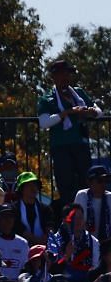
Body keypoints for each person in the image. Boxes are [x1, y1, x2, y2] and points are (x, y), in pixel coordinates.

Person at [40, 58, 99, 203]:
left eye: (67, 74)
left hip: (81, 144)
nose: (65, 77)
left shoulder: (78, 93)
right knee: (66, 186)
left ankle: (87, 218)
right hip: (61, 147)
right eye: (61, 74)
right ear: (54, 77)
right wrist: (67, 113)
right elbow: (44, 122)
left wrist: (91, 111)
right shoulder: (47, 98)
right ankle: (69, 219)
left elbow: (98, 110)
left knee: (86, 183)